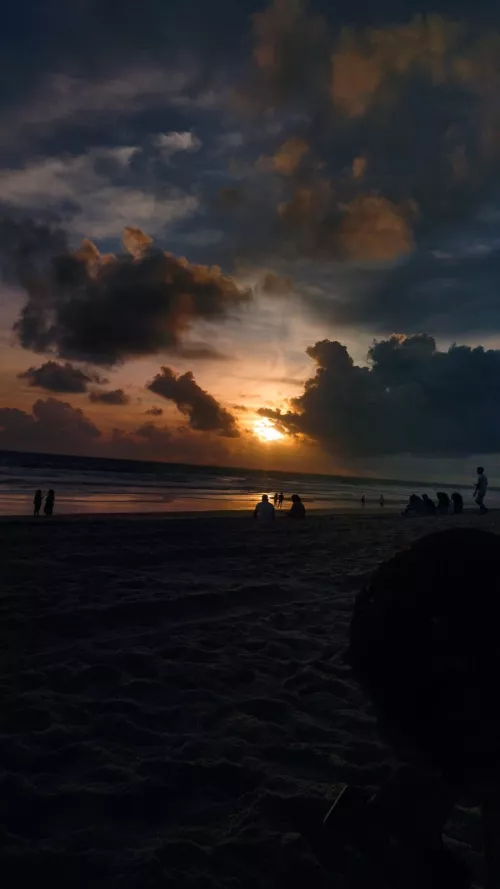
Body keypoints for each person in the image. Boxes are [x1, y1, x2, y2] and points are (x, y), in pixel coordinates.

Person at [345, 529, 500, 886]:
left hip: (382, 623)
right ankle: (395, 827)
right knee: (480, 756)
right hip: (403, 639)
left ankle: (390, 822)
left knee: (455, 752)